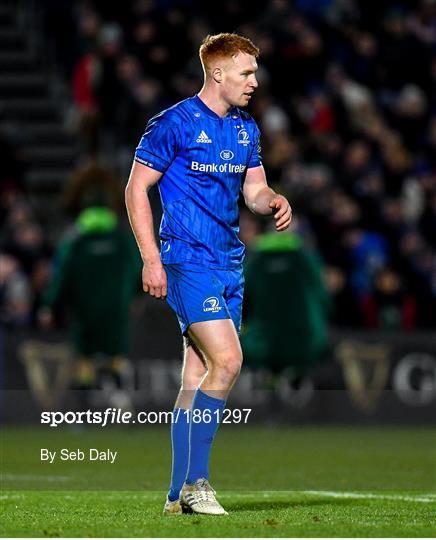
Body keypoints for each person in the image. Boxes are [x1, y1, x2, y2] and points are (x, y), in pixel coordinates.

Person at [125, 33, 292, 516]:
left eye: (254, 73)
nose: (254, 82)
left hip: (228, 261)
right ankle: (199, 483)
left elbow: (254, 189)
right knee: (229, 361)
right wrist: (151, 258)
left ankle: (177, 495)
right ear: (217, 73)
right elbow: (137, 190)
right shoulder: (173, 124)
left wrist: (273, 200)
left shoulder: (245, 128)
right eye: (246, 73)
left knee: (196, 374)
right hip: (186, 258)